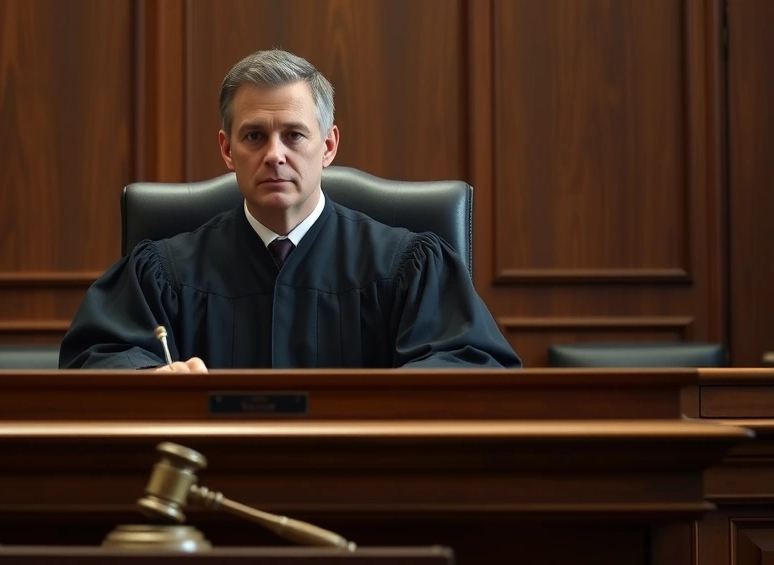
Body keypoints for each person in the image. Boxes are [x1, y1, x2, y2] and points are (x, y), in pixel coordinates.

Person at [59, 49, 521, 372]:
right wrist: (150, 379)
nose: (275, 154)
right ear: (227, 149)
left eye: (294, 135)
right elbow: (95, 358)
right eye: (254, 136)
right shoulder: (164, 270)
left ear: (328, 145)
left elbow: (474, 363)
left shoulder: (406, 264)